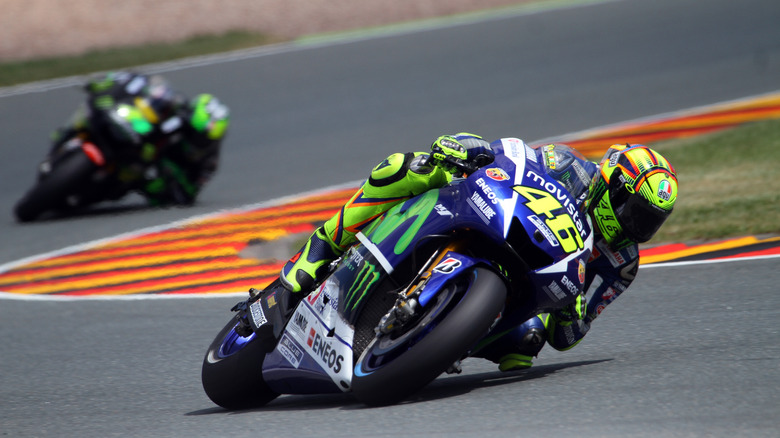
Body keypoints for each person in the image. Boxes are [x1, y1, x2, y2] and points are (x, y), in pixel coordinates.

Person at [247, 132, 678, 371]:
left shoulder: (622, 265)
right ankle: (312, 258)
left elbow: (567, 337)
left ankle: (434, 345)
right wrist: (470, 148)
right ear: (614, 189)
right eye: (637, 214)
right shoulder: (570, 166)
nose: (638, 230)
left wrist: (572, 304)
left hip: (528, 288)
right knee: (407, 166)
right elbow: (512, 159)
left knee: (526, 343)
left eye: (650, 224)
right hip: (495, 220)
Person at [50, 70, 229, 206]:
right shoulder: (176, 105)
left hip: (149, 174)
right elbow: (142, 85)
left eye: (202, 138)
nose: (197, 140)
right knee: (94, 111)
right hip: (137, 134)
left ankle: (101, 187)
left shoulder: (209, 162)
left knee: (139, 182)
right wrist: (111, 83)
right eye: (195, 133)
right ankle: (68, 134)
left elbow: (188, 194)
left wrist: (167, 174)